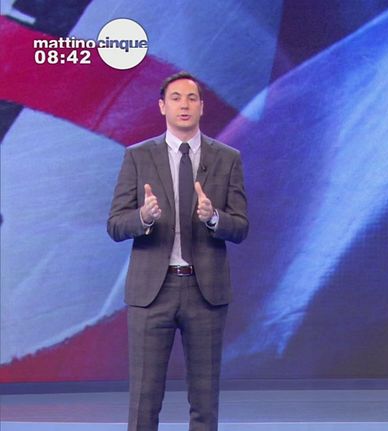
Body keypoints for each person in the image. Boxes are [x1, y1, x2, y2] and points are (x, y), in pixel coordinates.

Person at [107, 72, 248, 430]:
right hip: (152, 293)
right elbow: (115, 225)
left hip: (205, 293)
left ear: (201, 107)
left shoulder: (227, 158)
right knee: (144, 400)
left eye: (191, 98)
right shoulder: (138, 157)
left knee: (204, 400)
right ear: (162, 106)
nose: (184, 105)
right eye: (175, 98)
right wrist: (143, 216)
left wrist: (214, 217)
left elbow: (241, 227)